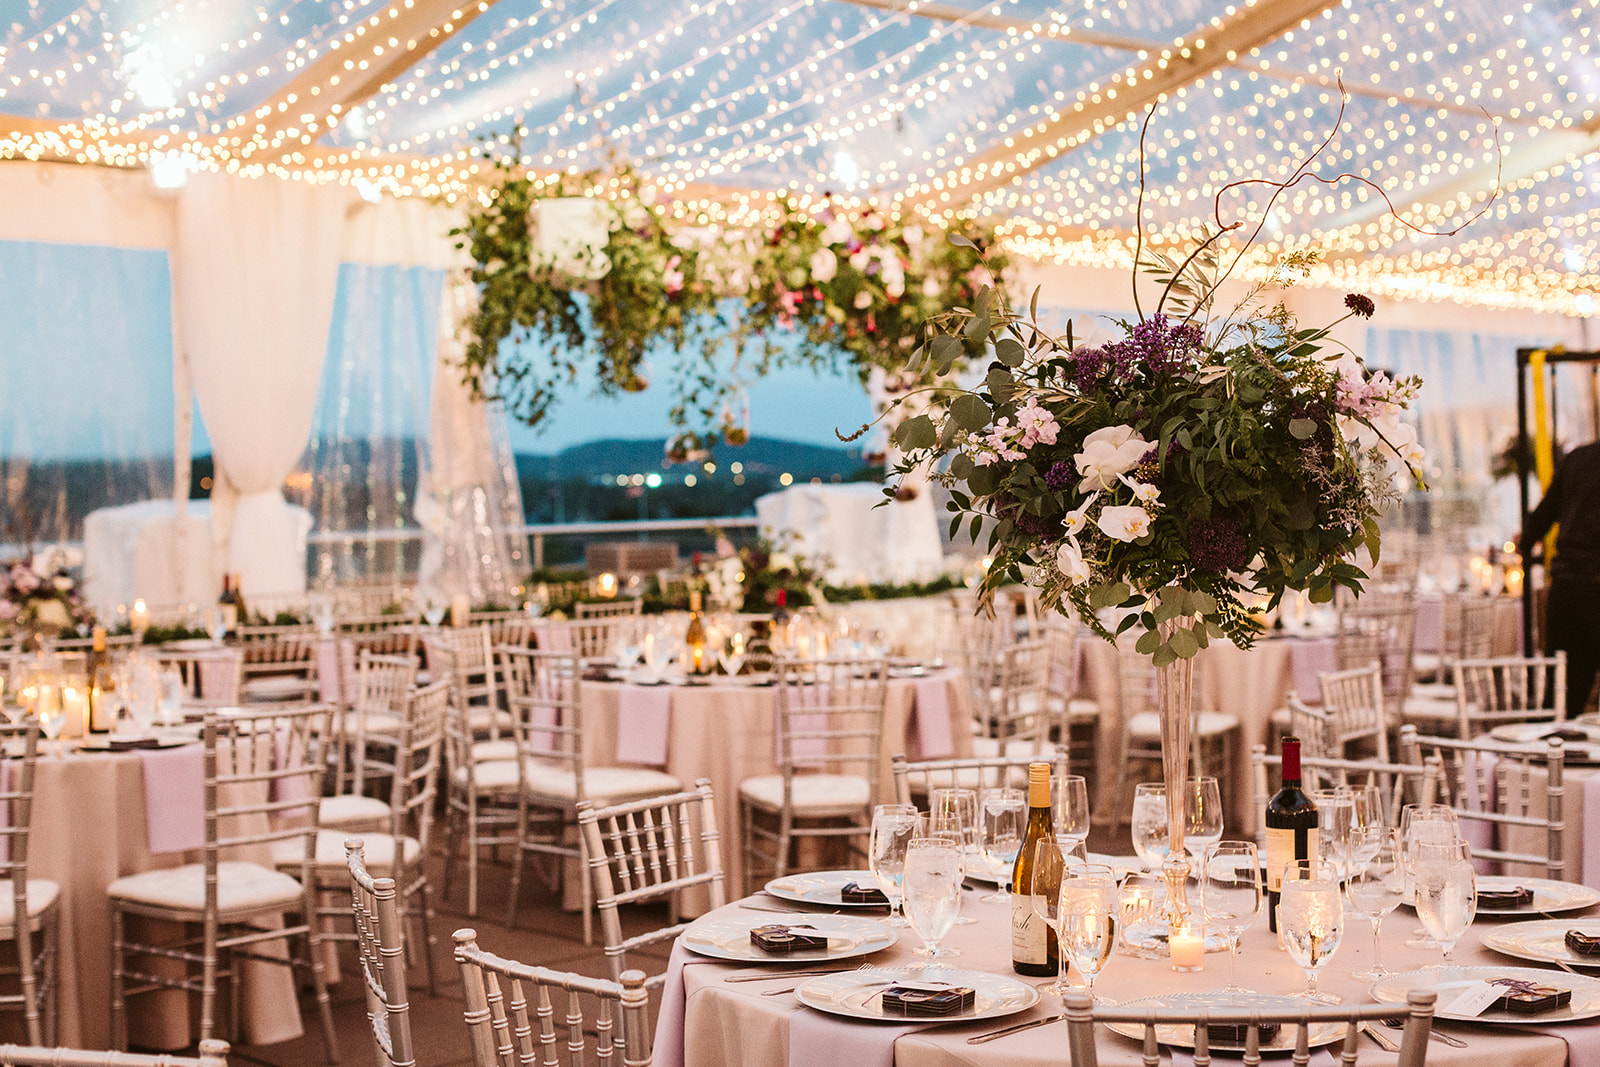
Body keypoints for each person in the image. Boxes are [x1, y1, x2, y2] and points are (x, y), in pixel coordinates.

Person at [1524, 440, 1600, 717]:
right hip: (1589, 585)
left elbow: (1544, 514)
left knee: (1560, 694)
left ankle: (1551, 755)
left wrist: (1524, 539)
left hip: (1566, 589)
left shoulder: (1577, 458)